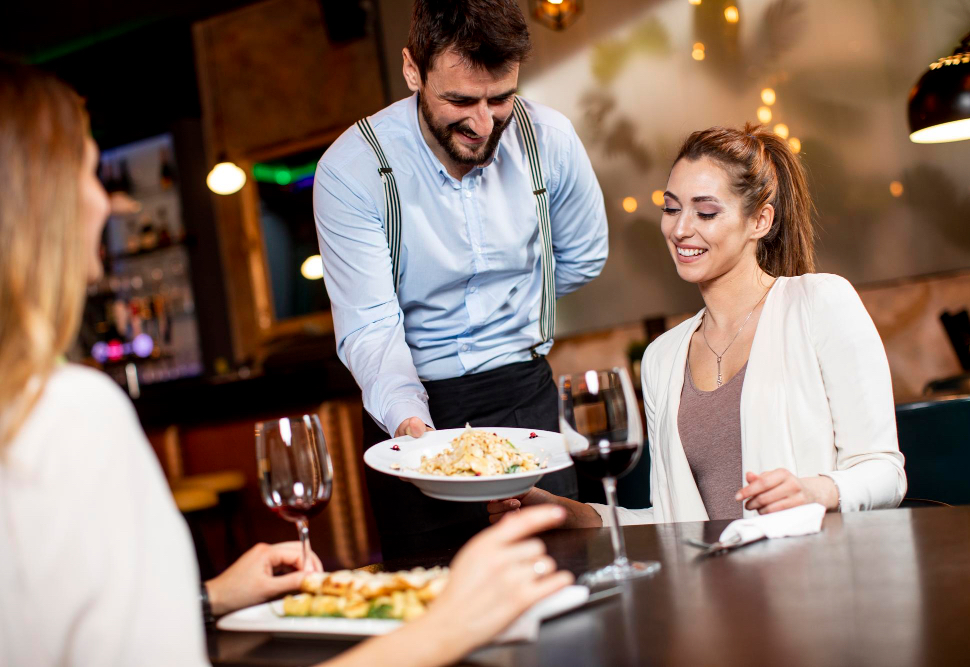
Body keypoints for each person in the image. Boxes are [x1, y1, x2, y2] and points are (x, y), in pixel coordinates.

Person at [0, 59, 572, 667]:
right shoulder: (67, 413)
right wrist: (445, 627)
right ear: (41, 203)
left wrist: (209, 597)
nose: (108, 203)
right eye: (90, 173)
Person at [488, 124, 907, 528]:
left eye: (705, 212)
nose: (680, 229)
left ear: (760, 221)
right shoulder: (662, 358)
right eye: (671, 208)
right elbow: (674, 521)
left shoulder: (820, 303)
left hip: (814, 583)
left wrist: (816, 491)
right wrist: (568, 513)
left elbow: (885, 472)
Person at [313, 0, 608, 557]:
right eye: (459, 100)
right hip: (411, 409)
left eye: (500, 98)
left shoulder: (551, 140)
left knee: (565, 598)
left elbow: (583, 257)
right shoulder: (351, 170)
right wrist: (419, 438)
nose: (482, 123)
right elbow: (371, 327)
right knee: (436, 606)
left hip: (525, 400)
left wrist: (511, 307)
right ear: (412, 70)